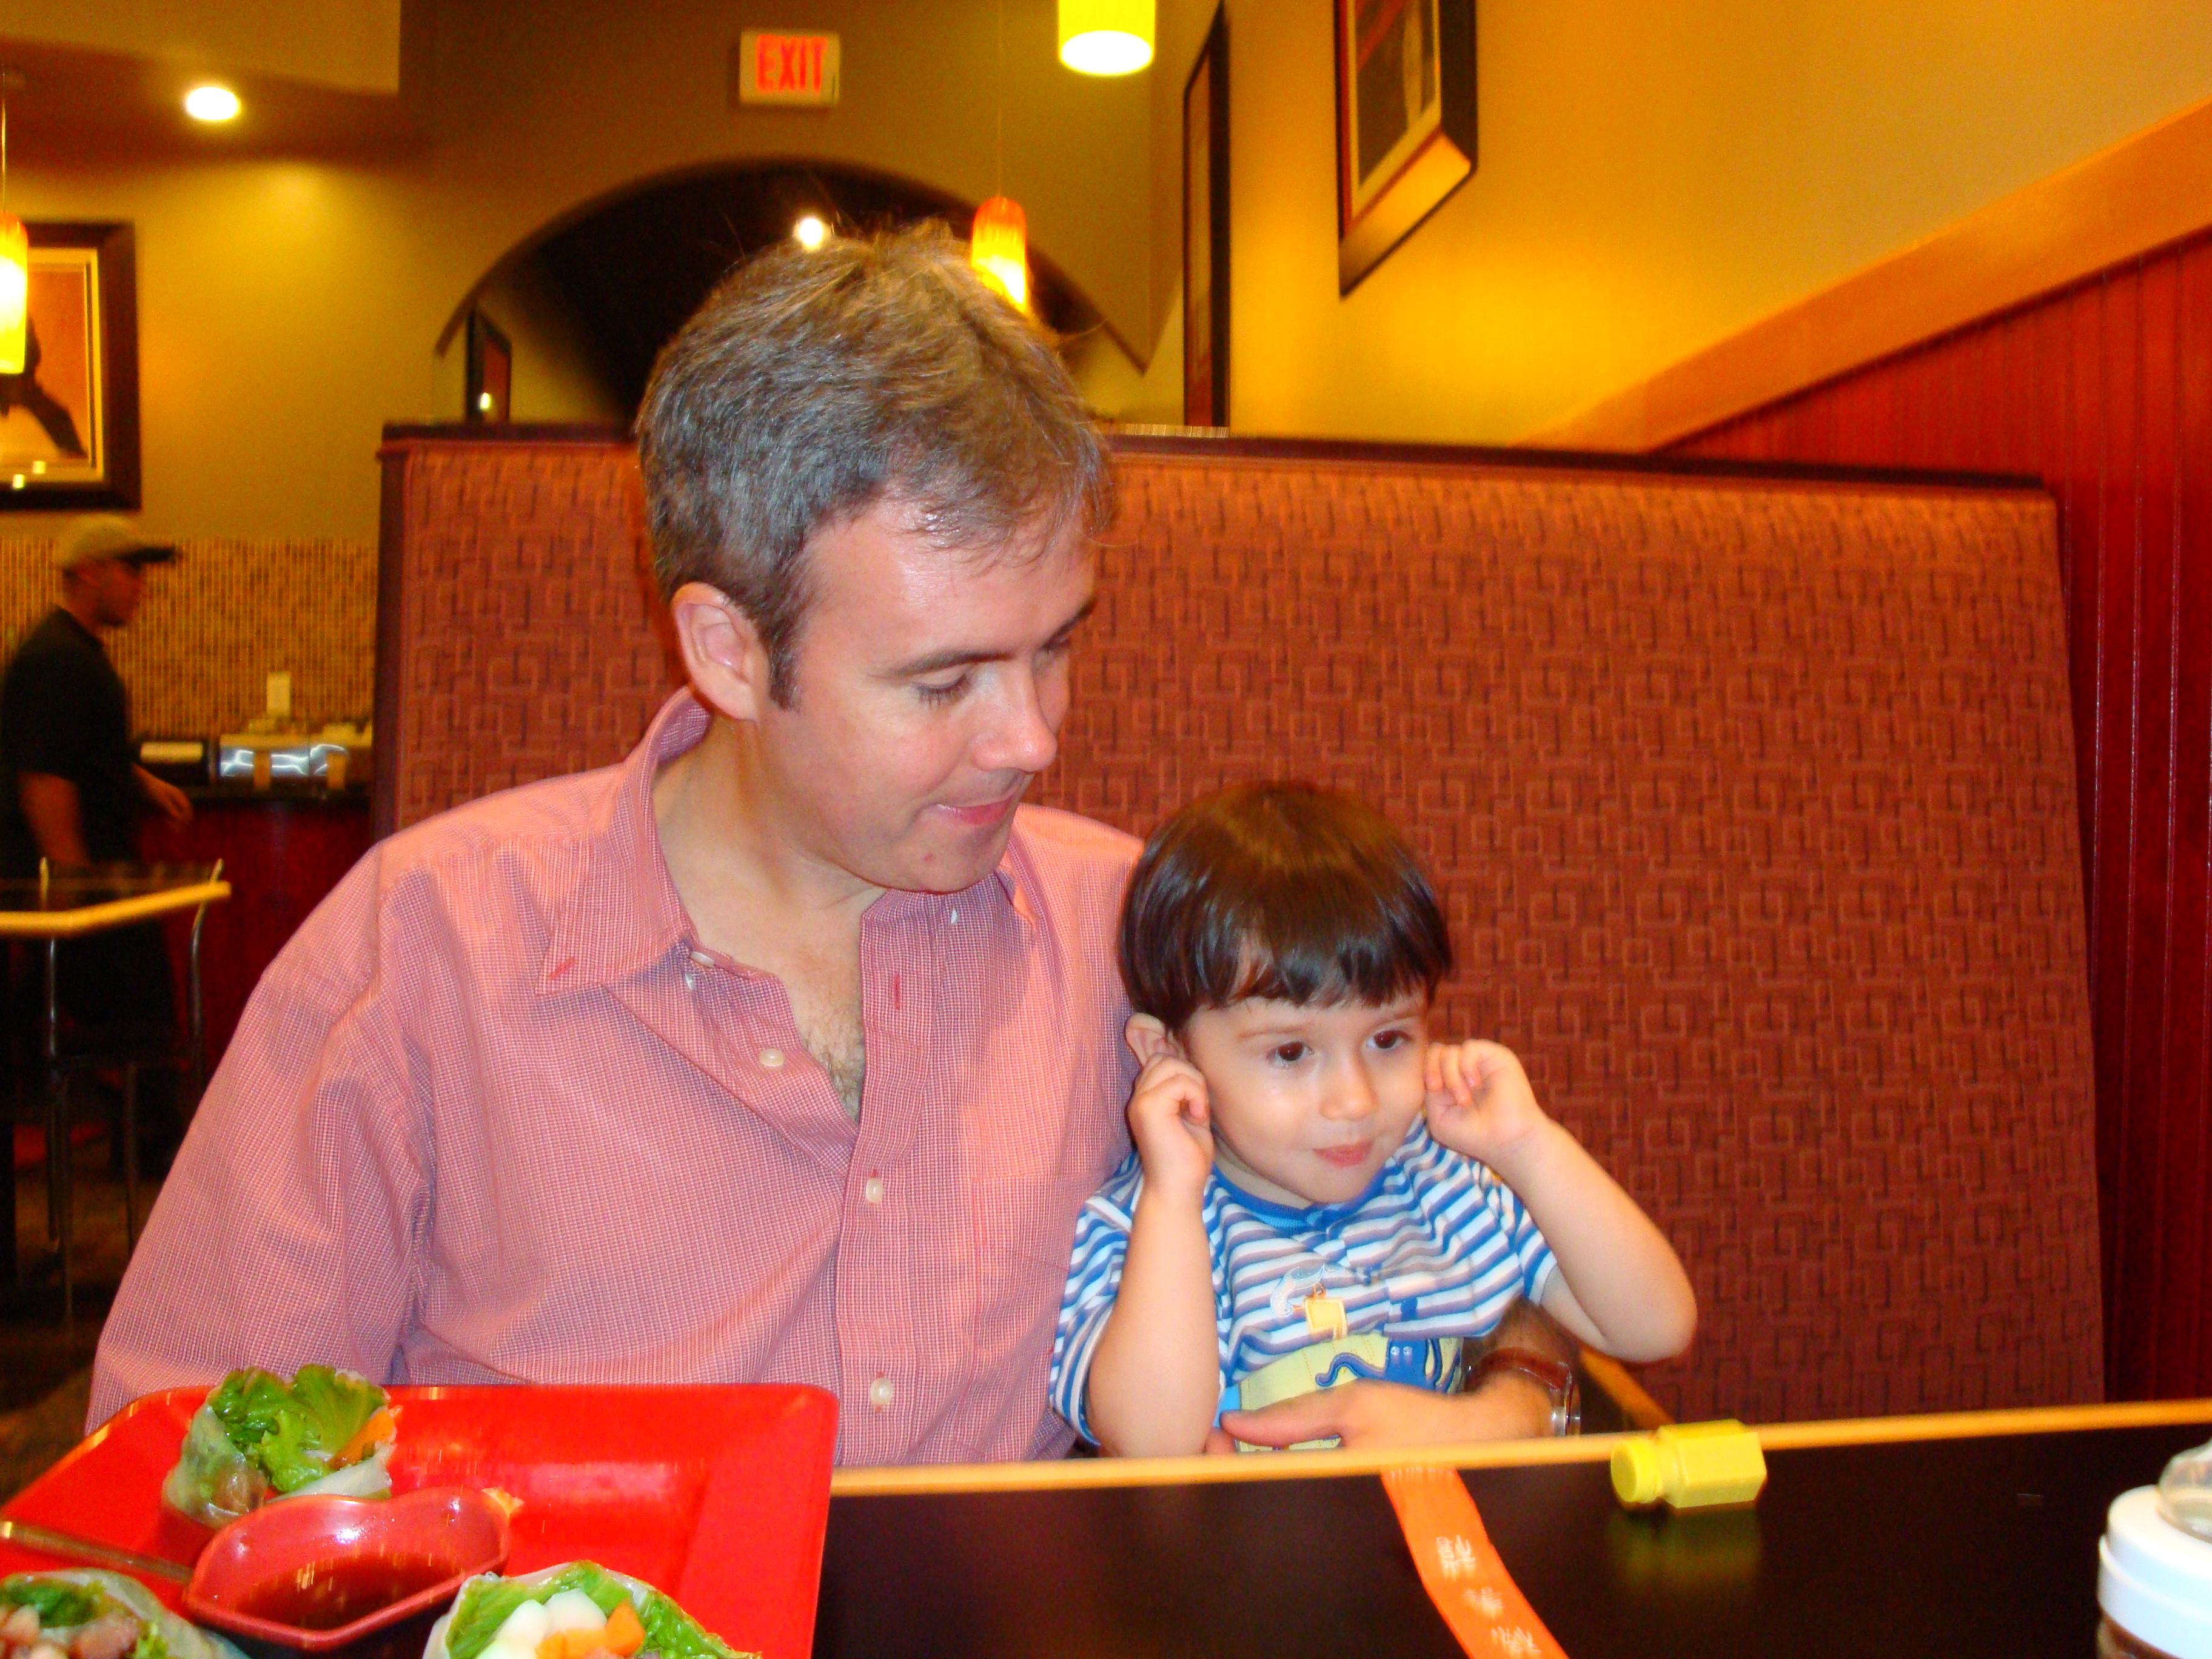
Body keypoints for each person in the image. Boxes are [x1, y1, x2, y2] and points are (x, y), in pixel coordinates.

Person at [91, 227, 1574, 1459]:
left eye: (1056, 647)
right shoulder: (423, 949)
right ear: (728, 652)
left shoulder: (1144, 930)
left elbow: (1460, 1227)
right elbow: (182, 1463)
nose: (1032, 738)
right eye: (944, 682)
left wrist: (1514, 1400)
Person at [1051, 784, 1697, 1456]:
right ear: (1169, 1054)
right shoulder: (1146, 1224)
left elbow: (1656, 1326)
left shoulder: (1444, 1184)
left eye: (1388, 1040)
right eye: (1291, 1052)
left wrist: (1529, 1146)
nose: (1355, 1100)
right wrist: (1174, 1198)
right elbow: (1151, 1444)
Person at [2, 516, 194, 1165]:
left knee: (134, 1014)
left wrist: (145, 784)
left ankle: (143, 1148)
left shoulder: (74, 653)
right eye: (131, 571)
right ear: (89, 573)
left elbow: (82, 751)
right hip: (83, 885)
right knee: (135, 1017)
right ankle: (149, 1155)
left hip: (97, 879)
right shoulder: (56, 661)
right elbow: (44, 777)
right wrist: (75, 888)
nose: (142, 586)